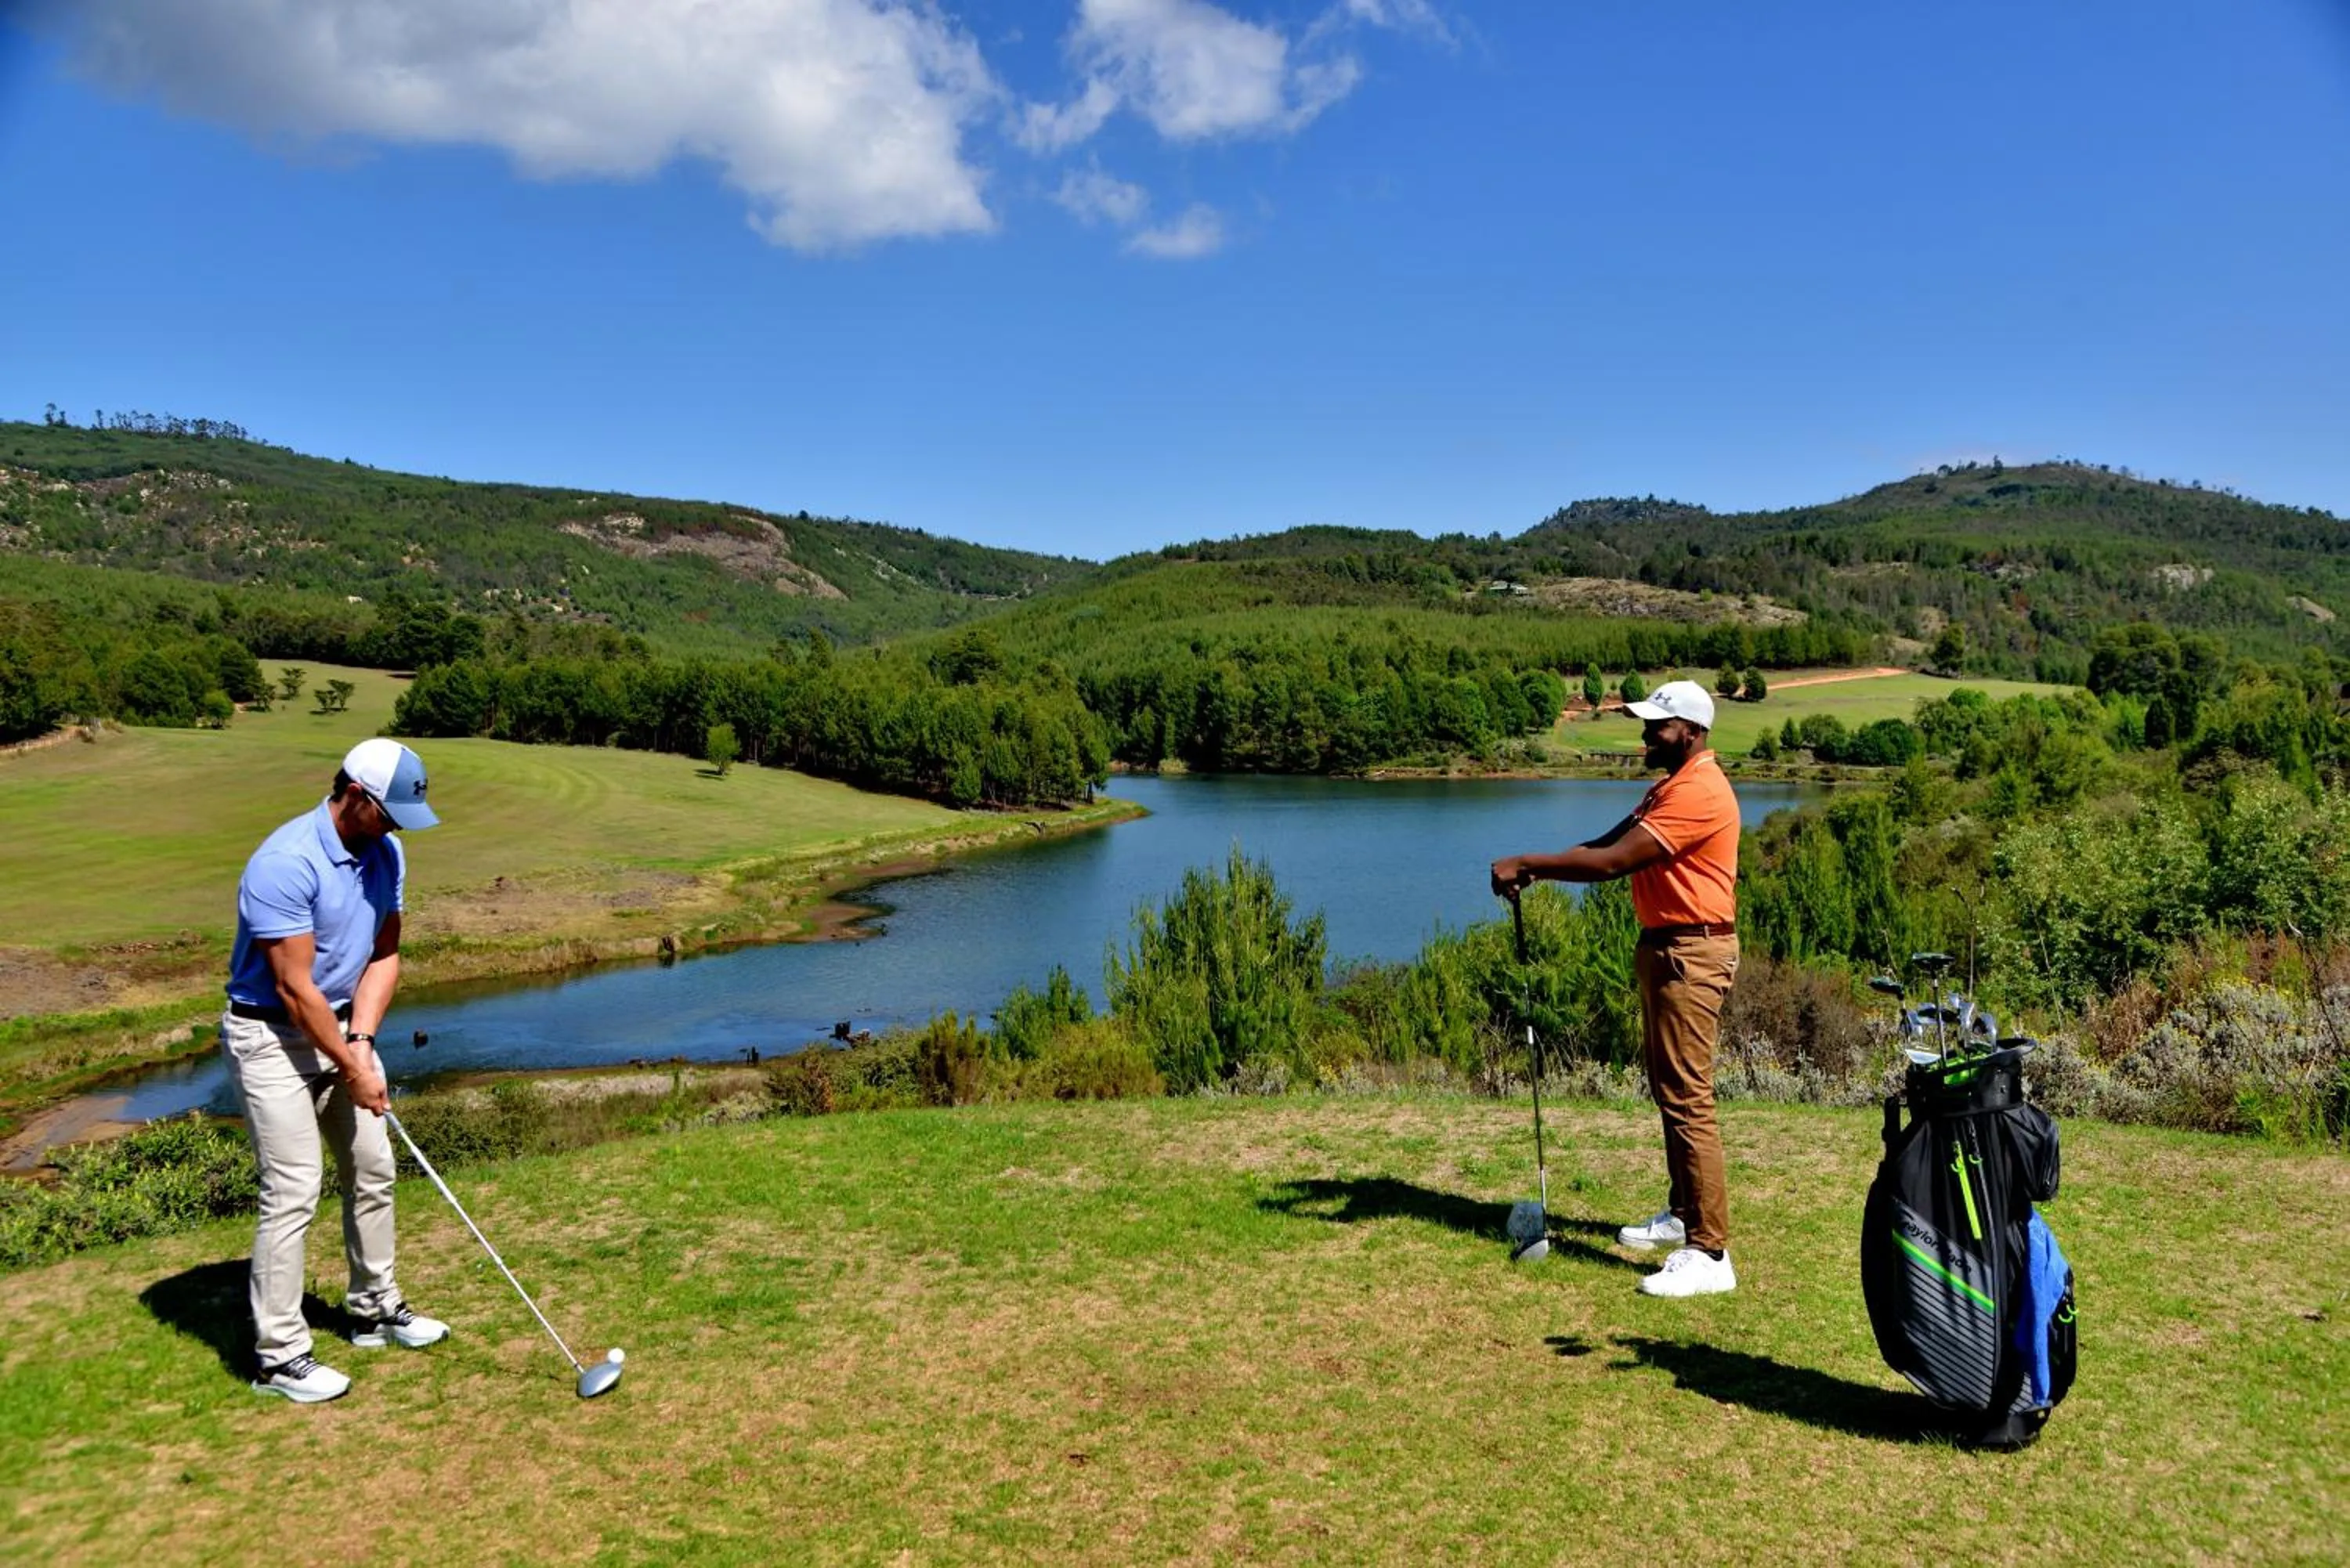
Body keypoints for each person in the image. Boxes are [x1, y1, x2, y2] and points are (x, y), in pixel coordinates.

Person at [1491, 679, 1743, 1298]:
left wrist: (1530, 862)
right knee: (1671, 1091)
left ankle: (1709, 1253)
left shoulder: (1700, 791)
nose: (1646, 734)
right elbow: (1606, 843)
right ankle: (1683, 1214)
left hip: (1691, 952)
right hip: (1667, 947)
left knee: (1688, 1098)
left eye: (1658, 725)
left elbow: (1613, 863)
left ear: (1692, 731)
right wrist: (1538, 868)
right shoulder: (1671, 786)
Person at [222, 737, 449, 1401]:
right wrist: (351, 1066)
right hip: (271, 1036)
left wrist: (363, 1041)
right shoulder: (285, 863)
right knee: (294, 1188)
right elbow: (294, 990)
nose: (395, 829)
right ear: (354, 795)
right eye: (388, 814)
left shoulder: (387, 852)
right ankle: (279, 1357)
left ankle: (374, 1310)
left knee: (374, 1169)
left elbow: (384, 954)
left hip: (345, 1027)